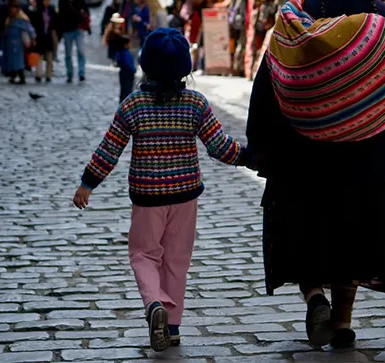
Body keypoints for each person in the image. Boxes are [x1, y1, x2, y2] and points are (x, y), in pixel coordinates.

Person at [245, 0, 385, 350]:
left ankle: (314, 296)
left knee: (306, 228)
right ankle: (341, 321)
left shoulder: (294, 20)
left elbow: (268, 84)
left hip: (303, 154)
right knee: (357, 233)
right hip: (372, 154)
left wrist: (260, 146)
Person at [73, 28, 252, 352]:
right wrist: (248, 157)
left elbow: (109, 149)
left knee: (143, 254)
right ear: (185, 67)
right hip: (185, 196)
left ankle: (153, 303)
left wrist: (88, 183)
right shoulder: (195, 103)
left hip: (148, 196)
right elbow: (218, 146)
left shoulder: (134, 105)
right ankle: (172, 325)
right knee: (177, 260)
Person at [57, 0, 90, 83]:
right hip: (67, 30)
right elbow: (61, 16)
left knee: (80, 51)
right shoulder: (62, 1)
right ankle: (70, 74)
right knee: (68, 54)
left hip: (78, 29)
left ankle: (81, 73)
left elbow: (86, 11)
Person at [1, 0, 36, 85]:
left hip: (18, 42)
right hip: (9, 42)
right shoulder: (9, 19)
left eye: (13, 8)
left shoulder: (22, 18)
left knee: (18, 60)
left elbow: (29, 28)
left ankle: (21, 76)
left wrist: (33, 38)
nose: (12, 10)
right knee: (11, 60)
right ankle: (12, 76)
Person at [27, 0, 58, 83]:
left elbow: (55, 23)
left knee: (49, 57)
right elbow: (34, 23)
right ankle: (38, 74)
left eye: (48, 0)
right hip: (40, 36)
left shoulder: (51, 10)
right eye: (46, 0)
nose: (47, 2)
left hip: (48, 37)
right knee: (39, 57)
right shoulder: (37, 11)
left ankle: (48, 75)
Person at [114, 35, 136, 101]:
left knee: (123, 90)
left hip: (123, 73)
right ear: (125, 45)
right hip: (128, 74)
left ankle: (121, 104)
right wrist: (134, 69)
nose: (131, 44)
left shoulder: (119, 53)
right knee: (127, 91)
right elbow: (128, 64)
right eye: (129, 43)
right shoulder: (126, 53)